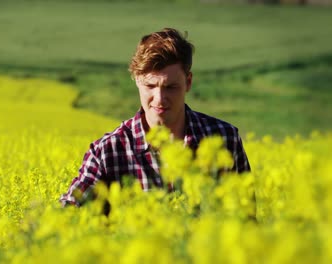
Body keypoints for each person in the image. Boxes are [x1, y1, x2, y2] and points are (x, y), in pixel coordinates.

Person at [60, 28, 250, 208]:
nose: (159, 99)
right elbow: (68, 216)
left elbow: (247, 224)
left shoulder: (225, 139)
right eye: (150, 86)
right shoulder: (108, 152)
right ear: (136, 80)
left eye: (170, 87)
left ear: (189, 82)